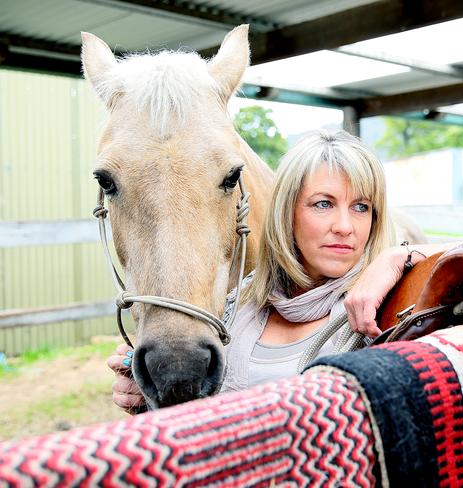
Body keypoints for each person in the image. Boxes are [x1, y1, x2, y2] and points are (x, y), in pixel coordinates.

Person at [108, 129, 432, 412]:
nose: (345, 226)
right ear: (286, 211)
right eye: (323, 204)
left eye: (361, 207)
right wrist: (157, 399)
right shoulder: (238, 306)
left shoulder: (386, 306)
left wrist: (398, 257)